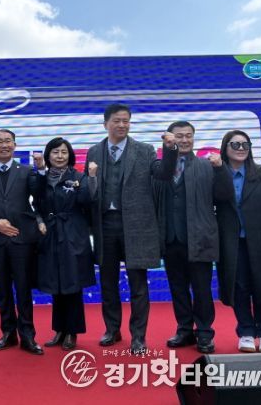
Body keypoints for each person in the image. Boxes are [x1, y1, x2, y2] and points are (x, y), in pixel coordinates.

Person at [87, 103, 178, 355]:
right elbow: (90, 191)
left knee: (138, 285)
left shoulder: (144, 150)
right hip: (106, 225)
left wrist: (170, 149)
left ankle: (138, 337)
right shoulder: (94, 152)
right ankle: (112, 330)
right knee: (108, 283)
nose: (122, 125)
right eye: (117, 120)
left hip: (137, 226)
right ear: (105, 124)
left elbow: (163, 174)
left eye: (126, 120)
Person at [153, 121, 232, 354]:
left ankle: (205, 332)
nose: (185, 140)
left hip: (200, 238)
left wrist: (221, 169)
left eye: (189, 135)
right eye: (179, 136)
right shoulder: (160, 167)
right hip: (171, 238)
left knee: (201, 289)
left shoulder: (207, 166)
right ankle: (185, 329)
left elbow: (224, 195)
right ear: (170, 139)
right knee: (178, 288)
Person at [215, 130, 261, 353]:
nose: (241, 149)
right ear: (225, 148)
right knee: (239, 286)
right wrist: (218, 170)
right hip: (231, 240)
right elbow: (217, 198)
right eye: (235, 144)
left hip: (260, 239)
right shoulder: (217, 172)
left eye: (245, 144)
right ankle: (246, 331)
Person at [0, 129, 43, 355]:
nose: (4, 145)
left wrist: (42, 169)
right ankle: (8, 333)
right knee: (3, 289)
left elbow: (39, 195)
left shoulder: (27, 171)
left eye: (8, 141)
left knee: (23, 288)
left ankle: (28, 335)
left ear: (14, 145)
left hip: (22, 237)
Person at [31, 137, 97, 350]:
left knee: (72, 285)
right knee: (56, 284)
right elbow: (35, 202)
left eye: (64, 152)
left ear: (70, 156)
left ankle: (72, 332)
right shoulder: (42, 177)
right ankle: (59, 329)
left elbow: (87, 200)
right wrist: (39, 221)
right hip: (50, 235)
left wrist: (92, 177)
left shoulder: (78, 177)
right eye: (55, 152)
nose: (60, 156)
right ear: (48, 155)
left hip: (72, 235)